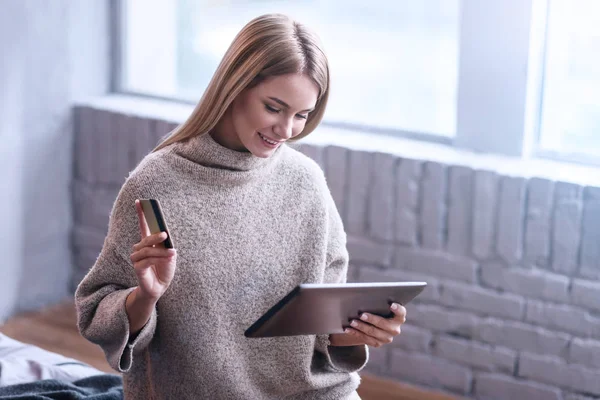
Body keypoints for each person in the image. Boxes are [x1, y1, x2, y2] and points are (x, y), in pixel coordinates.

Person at [75, 13, 407, 400]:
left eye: (302, 115)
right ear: (234, 88)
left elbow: (323, 320)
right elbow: (96, 311)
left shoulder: (306, 181)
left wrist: (355, 331)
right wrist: (146, 296)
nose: (286, 131)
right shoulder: (156, 184)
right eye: (274, 108)